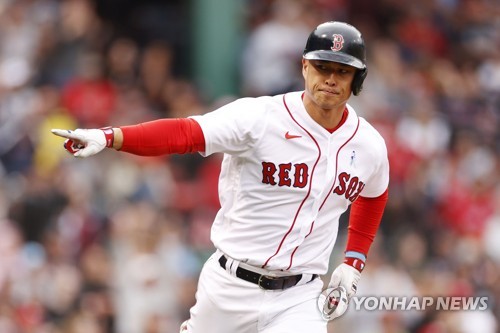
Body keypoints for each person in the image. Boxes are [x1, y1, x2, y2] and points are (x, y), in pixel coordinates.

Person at [52, 21, 389, 333]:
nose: (330, 78)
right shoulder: (259, 118)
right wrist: (111, 137)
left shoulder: (368, 144)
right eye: (322, 67)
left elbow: (375, 192)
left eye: (342, 71)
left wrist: (354, 260)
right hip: (230, 287)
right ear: (304, 66)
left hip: (299, 296)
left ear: (357, 79)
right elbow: (185, 133)